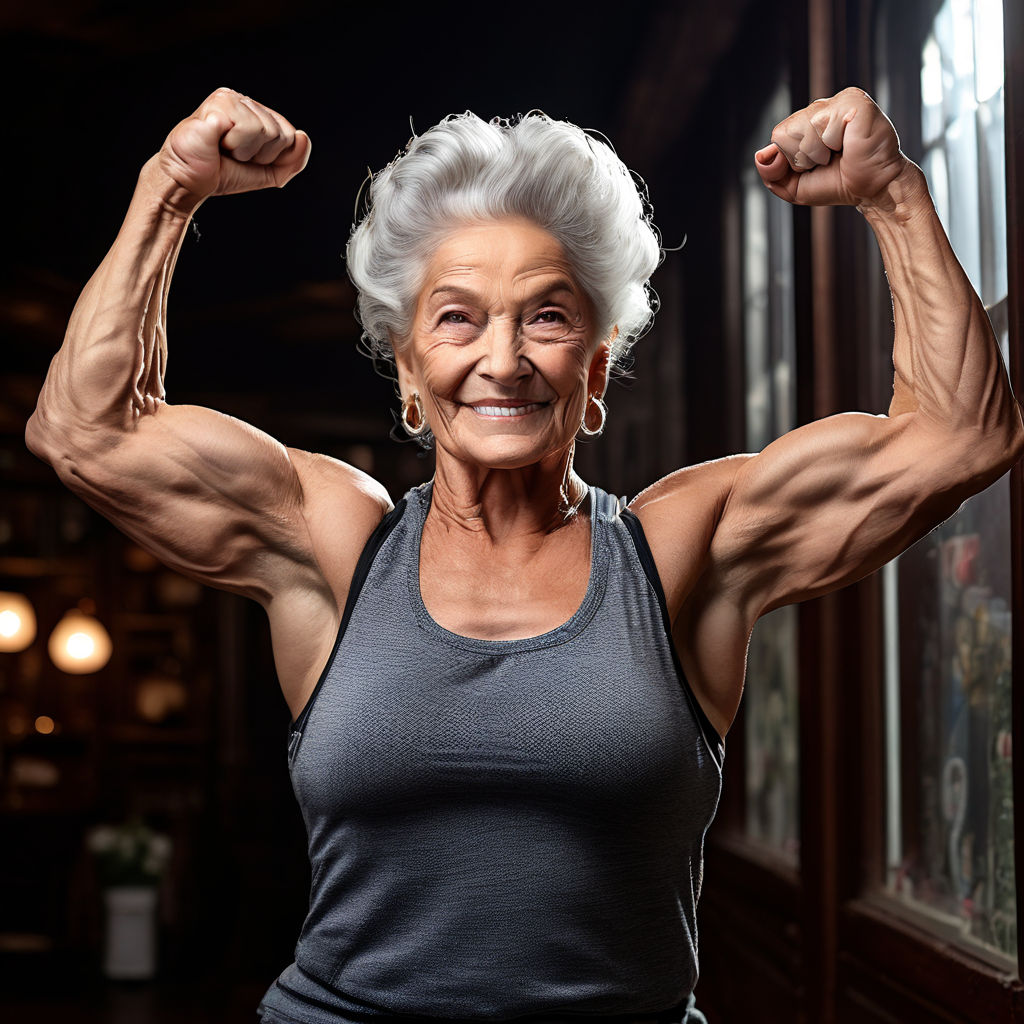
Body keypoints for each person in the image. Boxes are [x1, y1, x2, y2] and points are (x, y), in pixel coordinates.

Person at [26, 87, 1022, 1024]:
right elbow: (85, 430)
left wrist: (892, 194)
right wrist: (169, 186)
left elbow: (961, 434)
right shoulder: (334, 539)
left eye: (545, 316)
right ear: (410, 376)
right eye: (457, 318)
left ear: (593, 373)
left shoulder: (681, 549)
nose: (501, 360)